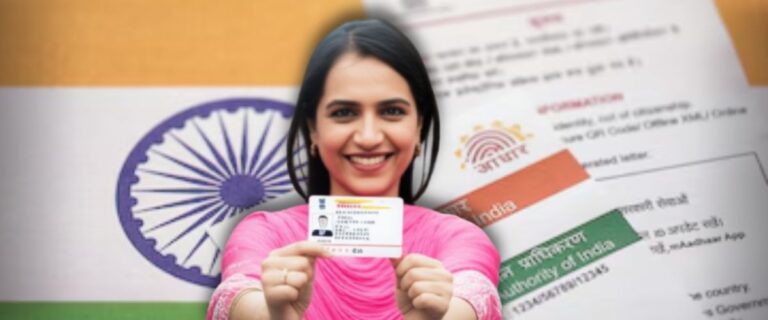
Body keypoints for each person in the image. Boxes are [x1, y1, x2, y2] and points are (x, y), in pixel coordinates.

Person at [207, 19, 501, 320]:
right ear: (313, 128)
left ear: (419, 126)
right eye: (344, 113)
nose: (369, 137)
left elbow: (466, 306)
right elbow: (240, 301)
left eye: (392, 111)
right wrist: (277, 314)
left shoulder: (458, 239)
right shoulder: (266, 235)